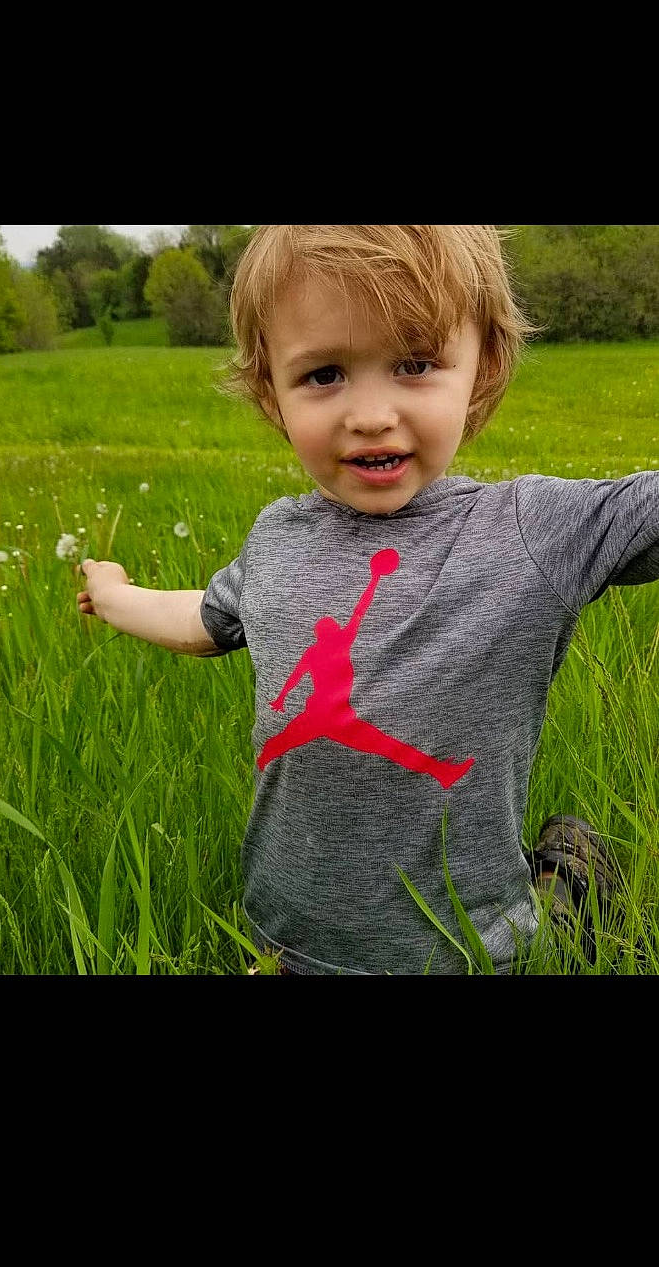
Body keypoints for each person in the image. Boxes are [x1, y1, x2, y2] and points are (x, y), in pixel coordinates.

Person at [77, 225, 659, 975]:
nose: (370, 414)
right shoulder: (277, 537)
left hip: (472, 952)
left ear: (483, 368)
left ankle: (563, 886)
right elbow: (206, 620)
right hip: (285, 942)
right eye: (323, 374)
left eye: (415, 364)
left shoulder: (534, 530)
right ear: (271, 392)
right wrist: (116, 593)